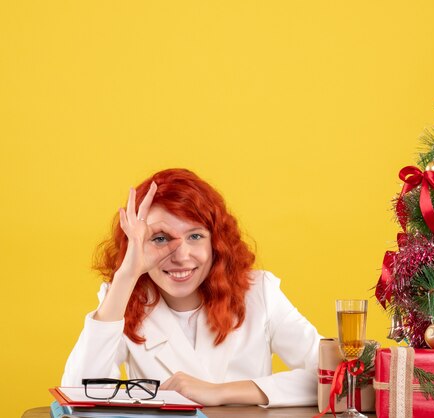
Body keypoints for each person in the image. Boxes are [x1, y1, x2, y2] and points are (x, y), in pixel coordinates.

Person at [62, 168, 321, 407]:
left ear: (216, 242)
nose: (181, 256)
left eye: (195, 236)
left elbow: (336, 379)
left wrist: (221, 392)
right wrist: (126, 276)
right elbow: (76, 394)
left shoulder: (259, 292)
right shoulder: (122, 298)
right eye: (160, 238)